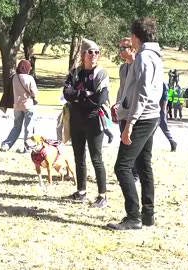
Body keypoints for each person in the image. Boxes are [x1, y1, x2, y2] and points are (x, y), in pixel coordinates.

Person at [107, 17, 163, 230]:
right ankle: (147, 215)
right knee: (143, 165)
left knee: (122, 166)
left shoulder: (143, 57)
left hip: (142, 118)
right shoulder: (156, 56)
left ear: (135, 36)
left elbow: (142, 93)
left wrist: (130, 122)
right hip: (151, 116)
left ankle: (133, 217)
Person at [62, 38, 109, 208]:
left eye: (97, 52)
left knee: (96, 158)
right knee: (78, 156)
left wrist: (79, 96)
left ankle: (102, 195)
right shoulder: (75, 73)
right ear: (83, 54)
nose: (94, 55)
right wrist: (85, 94)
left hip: (94, 120)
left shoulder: (101, 74)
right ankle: (81, 191)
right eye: (91, 52)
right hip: (76, 120)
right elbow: (66, 93)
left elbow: (100, 99)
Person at [111, 37, 140, 182]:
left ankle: (135, 173)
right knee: (124, 139)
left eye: (124, 48)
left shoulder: (139, 66)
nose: (120, 51)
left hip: (135, 110)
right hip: (123, 110)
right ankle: (129, 170)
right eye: (120, 47)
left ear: (133, 49)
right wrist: (117, 103)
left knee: (133, 141)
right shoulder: (123, 68)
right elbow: (122, 89)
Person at [0, 59, 38, 153]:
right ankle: (27, 147)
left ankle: (6, 144)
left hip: (16, 105)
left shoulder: (14, 78)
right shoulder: (29, 78)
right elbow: (35, 93)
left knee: (16, 127)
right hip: (27, 105)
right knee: (28, 127)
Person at [160, 82, 177, 152]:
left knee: (164, 127)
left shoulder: (163, 84)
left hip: (160, 109)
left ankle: (172, 142)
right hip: (155, 108)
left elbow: (165, 97)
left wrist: (163, 109)